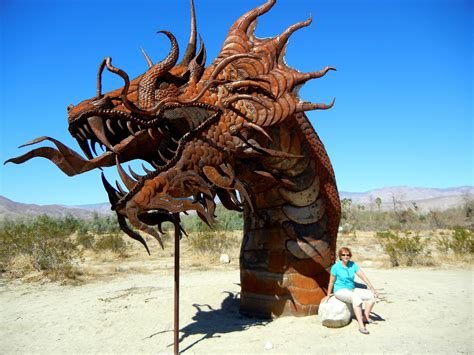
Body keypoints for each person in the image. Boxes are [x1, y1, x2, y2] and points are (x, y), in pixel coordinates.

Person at [321, 247, 379, 335]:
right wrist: (328, 295)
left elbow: (363, 276)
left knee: (371, 295)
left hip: (352, 289)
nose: (346, 256)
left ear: (350, 256)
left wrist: (372, 288)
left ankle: (365, 317)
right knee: (356, 299)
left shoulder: (353, 265)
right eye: (343, 255)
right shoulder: (336, 267)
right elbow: (331, 282)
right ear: (340, 256)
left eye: (347, 255)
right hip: (340, 291)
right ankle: (361, 325)